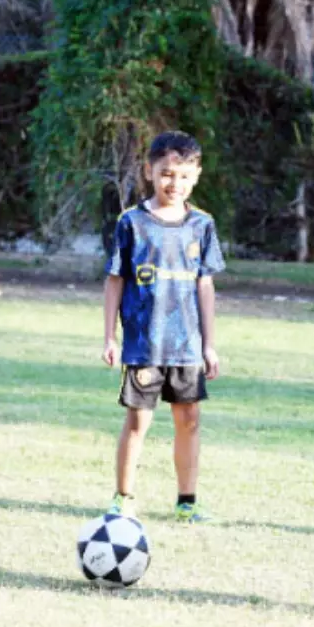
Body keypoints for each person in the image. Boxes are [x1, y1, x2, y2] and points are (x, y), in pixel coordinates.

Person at [101, 131, 224, 521]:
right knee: (138, 420)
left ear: (197, 176)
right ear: (149, 171)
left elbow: (205, 285)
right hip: (144, 344)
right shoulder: (132, 223)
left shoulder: (202, 224)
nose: (175, 183)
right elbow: (115, 280)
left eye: (184, 175)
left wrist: (209, 345)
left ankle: (187, 502)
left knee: (189, 420)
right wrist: (109, 336)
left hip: (186, 345)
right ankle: (123, 498)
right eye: (167, 173)